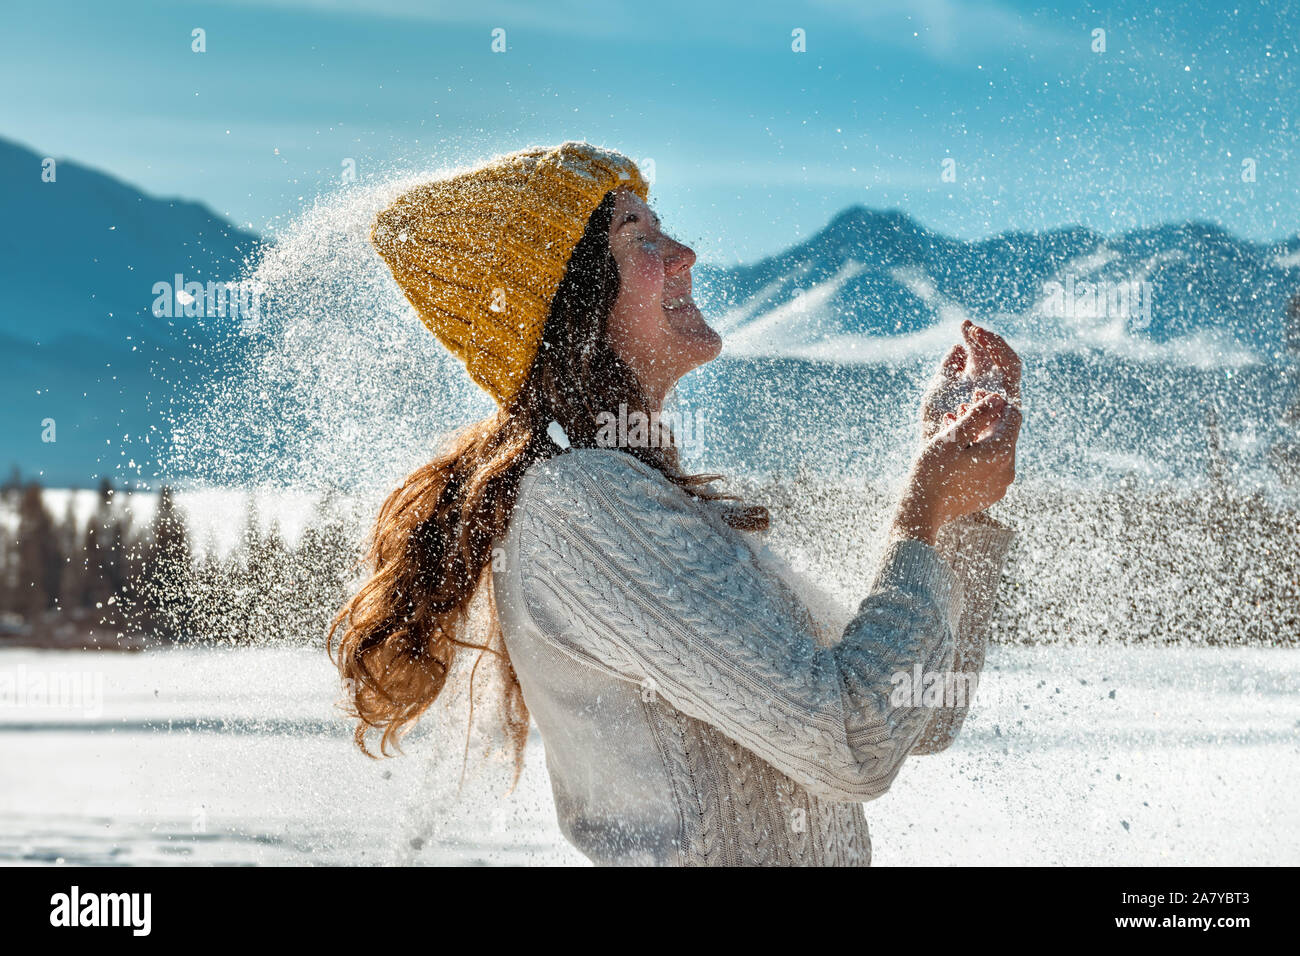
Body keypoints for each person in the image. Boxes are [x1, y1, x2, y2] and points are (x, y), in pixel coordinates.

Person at [330, 141, 1022, 866]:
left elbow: (919, 709)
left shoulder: (637, 504)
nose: (685, 253)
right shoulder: (584, 505)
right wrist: (924, 510)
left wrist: (956, 516)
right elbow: (854, 744)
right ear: (574, 303)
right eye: (642, 239)